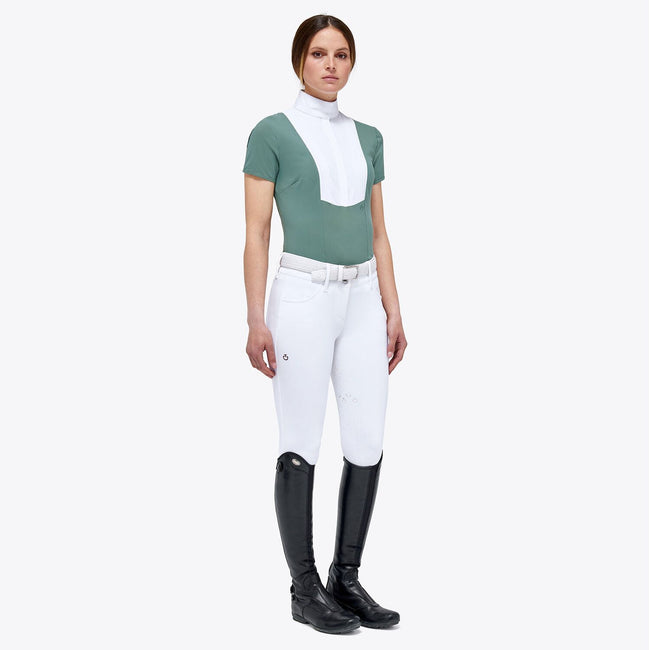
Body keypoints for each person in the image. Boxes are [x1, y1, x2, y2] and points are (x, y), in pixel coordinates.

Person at [242, 14, 407, 634]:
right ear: (299, 61)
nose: (330, 65)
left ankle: (346, 578)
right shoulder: (271, 133)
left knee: (366, 438)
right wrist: (255, 317)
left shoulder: (369, 138)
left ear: (351, 63)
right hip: (302, 296)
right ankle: (304, 589)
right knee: (301, 440)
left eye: (340, 54)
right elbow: (257, 233)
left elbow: (379, 233)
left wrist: (393, 307)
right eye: (318, 54)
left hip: (363, 297)